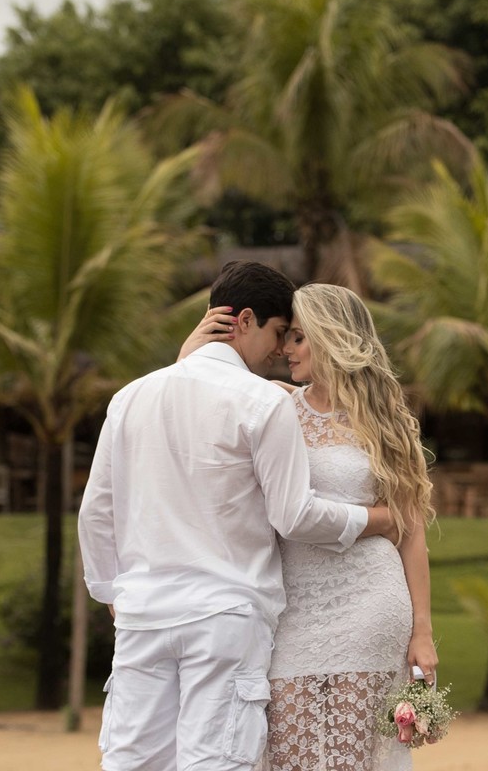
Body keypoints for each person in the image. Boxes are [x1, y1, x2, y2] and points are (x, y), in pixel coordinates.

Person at [78, 261, 399, 771]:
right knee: (218, 761)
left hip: (143, 613)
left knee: (133, 761)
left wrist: (111, 592)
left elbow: (97, 510)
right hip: (227, 614)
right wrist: (375, 520)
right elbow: (294, 517)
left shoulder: (131, 397)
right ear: (244, 320)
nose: (278, 350)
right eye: (277, 333)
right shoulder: (261, 403)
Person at [183, 283, 437, 770]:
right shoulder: (274, 405)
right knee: (287, 755)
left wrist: (422, 632)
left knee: (349, 758)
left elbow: (411, 530)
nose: (284, 349)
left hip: (371, 605)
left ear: (332, 338)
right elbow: (194, 399)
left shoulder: (387, 423)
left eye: (299, 338)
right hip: (292, 610)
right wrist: (191, 351)